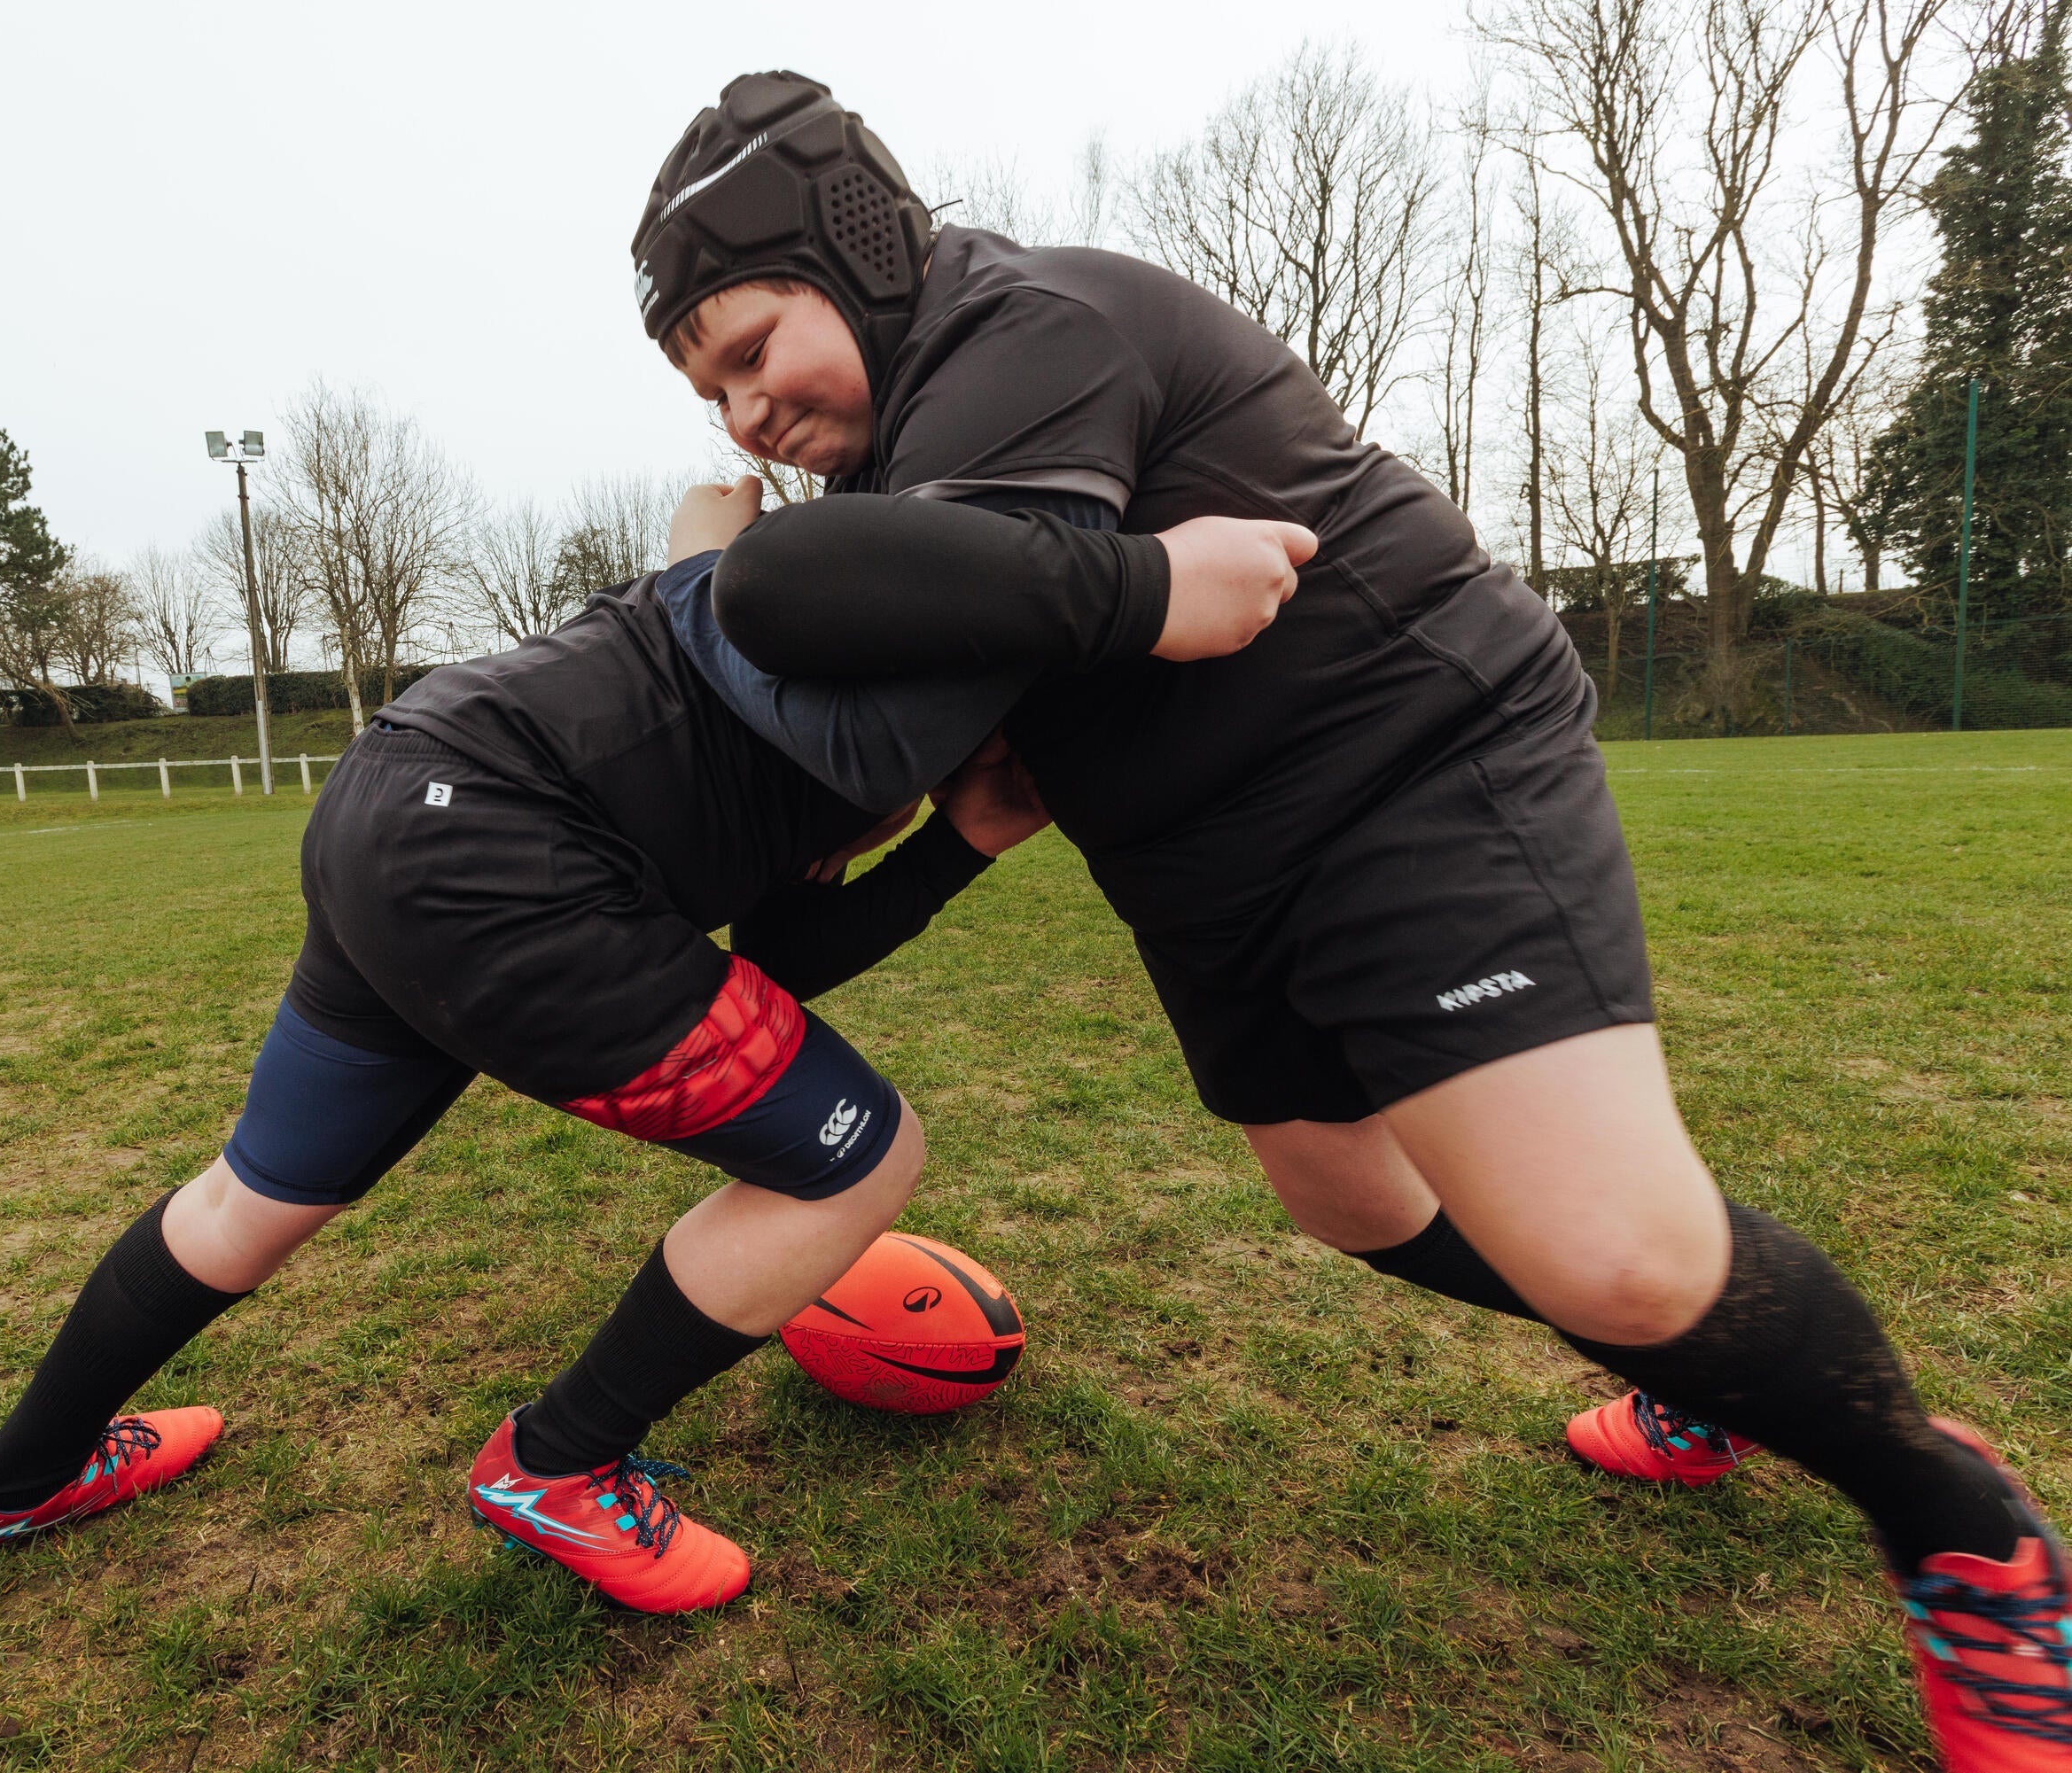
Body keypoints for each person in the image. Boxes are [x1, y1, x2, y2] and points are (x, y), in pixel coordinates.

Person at [628, 70, 2070, 1763]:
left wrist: (705, 588)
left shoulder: (1025, 326)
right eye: (705, 392)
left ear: (859, 254)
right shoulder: (922, 454)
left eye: (753, 348)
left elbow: (840, 648)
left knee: (1608, 1246)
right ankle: (1710, 1371)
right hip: (1208, 857)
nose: (742, 419)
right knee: (1361, 1203)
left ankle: (1965, 1525)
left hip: (1409, 763)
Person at [0, 486, 1265, 1612]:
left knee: (255, 1197)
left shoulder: (834, 636)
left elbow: (777, 948)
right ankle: (554, 1466)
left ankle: (11, 1480)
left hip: (395, 791)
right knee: (861, 1159)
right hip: (506, 855)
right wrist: (966, 829)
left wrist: (955, 842)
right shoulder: (908, 679)